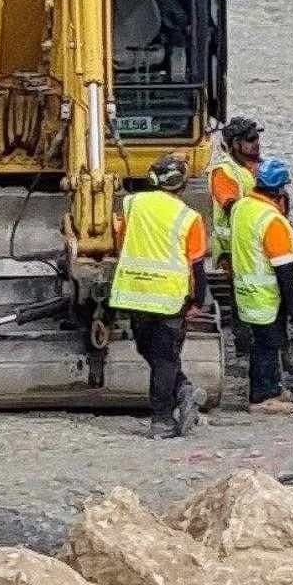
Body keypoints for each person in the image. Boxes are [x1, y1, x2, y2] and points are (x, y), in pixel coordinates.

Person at [110, 158, 208, 439]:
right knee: (162, 357)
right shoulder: (189, 218)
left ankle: (165, 413)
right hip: (169, 298)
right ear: (182, 184)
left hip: (137, 292)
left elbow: (122, 238)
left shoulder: (133, 203)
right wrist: (197, 302)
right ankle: (176, 401)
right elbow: (197, 265)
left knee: (152, 352)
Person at [228, 157, 293, 415]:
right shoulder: (272, 220)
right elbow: (284, 268)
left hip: (244, 291)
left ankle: (271, 388)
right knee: (268, 345)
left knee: (262, 343)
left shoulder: (241, 207)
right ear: (280, 190)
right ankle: (262, 396)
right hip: (267, 295)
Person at [210, 113, 264, 230]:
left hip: (253, 236)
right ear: (235, 143)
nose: (256, 143)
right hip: (230, 244)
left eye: (257, 138)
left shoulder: (257, 165)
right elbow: (233, 209)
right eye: (250, 139)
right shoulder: (223, 171)